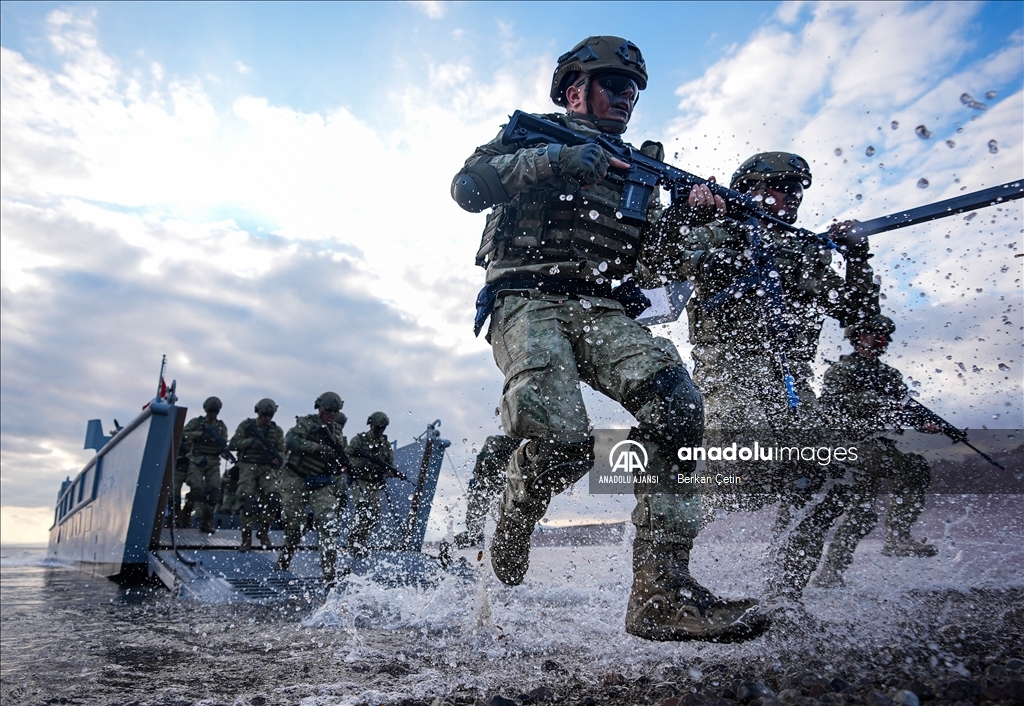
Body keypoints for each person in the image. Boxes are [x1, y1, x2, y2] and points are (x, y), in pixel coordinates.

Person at [452, 35, 763, 642]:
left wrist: (690, 220)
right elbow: (469, 188)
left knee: (678, 411)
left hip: (601, 308)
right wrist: (561, 162)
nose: (626, 97)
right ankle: (515, 512)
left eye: (632, 89)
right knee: (561, 437)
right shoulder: (530, 137)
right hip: (526, 300)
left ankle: (661, 595)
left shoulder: (642, 171)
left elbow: (652, 265)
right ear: (575, 90)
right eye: (613, 85)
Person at [647, 151, 882, 600]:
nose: (790, 197)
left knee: (834, 475)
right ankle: (658, 562)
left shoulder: (804, 250)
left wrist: (856, 258)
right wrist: (686, 213)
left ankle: (784, 593)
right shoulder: (718, 232)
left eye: (796, 190)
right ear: (751, 188)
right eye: (780, 186)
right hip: (730, 368)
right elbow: (657, 267)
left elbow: (859, 316)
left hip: (792, 379)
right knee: (739, 469)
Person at [812, 315, 938, 587]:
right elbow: (831, 409)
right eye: (873, 333)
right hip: (851, 446)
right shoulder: (841, 371)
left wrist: (922, 423)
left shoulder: (889, 375)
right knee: (913, 467)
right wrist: (875, 404)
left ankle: (830, 574)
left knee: (862, 514)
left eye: (882, 335)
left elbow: (903, 409)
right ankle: (898, 537)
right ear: (858, 336)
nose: (880, 340)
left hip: (879, 445)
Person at [276, 392, 349, 584]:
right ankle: (286, 557)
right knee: (295, 524)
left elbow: (338, 456)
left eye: (335, 411)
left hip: (320, 480)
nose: (331, 414)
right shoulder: (307, 423)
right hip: (296, 477)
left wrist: (340, 465)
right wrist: (316, 448)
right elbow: (290, 440)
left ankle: (329, 570)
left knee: (328, 520)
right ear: (319, 408)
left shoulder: (337, 432)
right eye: (328, 410)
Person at [229, 398, 286, 552]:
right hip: (247, 467)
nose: (266, 418)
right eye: (264, 415)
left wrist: (276, 459)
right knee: (248, 503)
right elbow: (233, 444)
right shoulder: (247, 426)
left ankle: (264, 530)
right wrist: (250, 443)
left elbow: (282, 450)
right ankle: (246, 539)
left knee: (274, 497)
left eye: (270, 415)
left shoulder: (277, 431)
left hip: (267, 469)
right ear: (258, 412)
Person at [453, 434, 521, 549]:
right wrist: (500, 459)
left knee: (508, 530)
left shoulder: (517, 451)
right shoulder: (494, 441)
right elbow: (484, 459)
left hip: (497, 494)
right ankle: (449, 546)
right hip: (479, 492)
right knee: (474, 536)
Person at [345, 412, 397, 558]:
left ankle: (359, 542)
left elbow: (390, 464)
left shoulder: (385, 446)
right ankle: (353, 542)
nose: (380, 430)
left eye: (383, 428)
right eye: (378, 427)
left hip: (373, 483)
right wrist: (366, 464)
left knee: (373, 514)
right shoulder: (359, 441)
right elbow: (347, 457)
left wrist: (389, 471)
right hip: (358, 480)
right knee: (363, 508)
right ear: (371, 425)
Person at [180, 397, 231, 534]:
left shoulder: (221, 427)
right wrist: (200, 435)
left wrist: (224, 453)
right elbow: (183, 434)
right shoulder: (197, 423)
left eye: (215, 411)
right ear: (206, 410)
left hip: (213, 464)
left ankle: (206, 521)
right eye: (210, 411)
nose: (212, 414)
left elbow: (223, 444)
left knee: (214, 494)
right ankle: (186, 514)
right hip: (197, 461)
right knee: (196, 491)